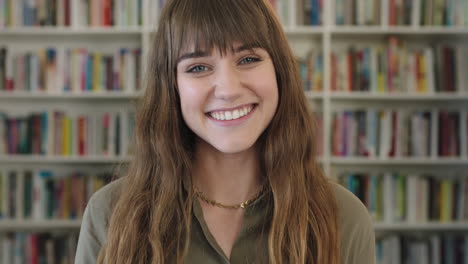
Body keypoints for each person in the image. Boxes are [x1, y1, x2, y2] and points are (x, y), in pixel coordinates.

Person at [75, 0, 376, 263]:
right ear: (171, 87)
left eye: (248, 59)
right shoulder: (110, 213)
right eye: (198, 67)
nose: (229, 90)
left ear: (280, 72)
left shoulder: (344, 217)